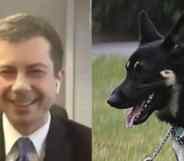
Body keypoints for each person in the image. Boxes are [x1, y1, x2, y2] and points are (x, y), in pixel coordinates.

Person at [0, 13, 91, 161]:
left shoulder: (87, 146)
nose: (20, 86)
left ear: (58, 80)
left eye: (35, 71)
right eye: (7, 71)